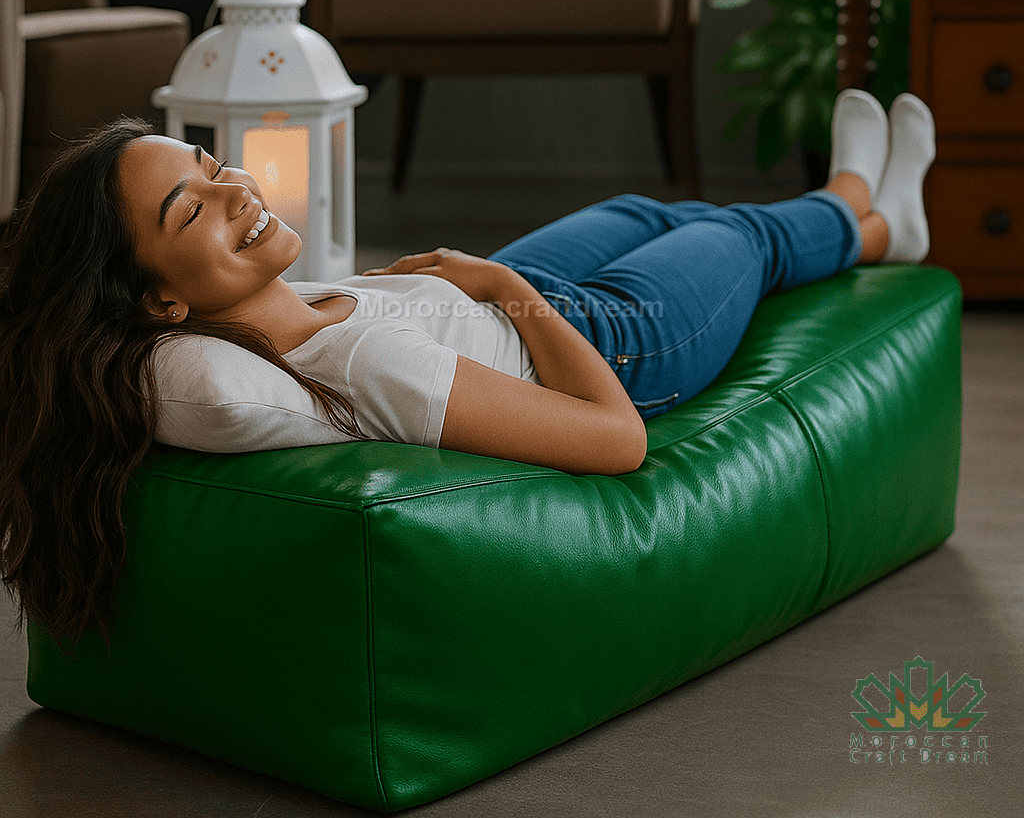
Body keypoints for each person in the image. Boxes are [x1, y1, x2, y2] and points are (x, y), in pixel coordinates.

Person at [0, 88, 935, 645]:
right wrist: (501, 281)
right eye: (190, 209)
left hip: (523, 296)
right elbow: (616, 441)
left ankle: (856, 202)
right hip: (620, 338)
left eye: (207, 162)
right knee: (740, 234)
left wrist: (492, 284)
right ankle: (869, 210)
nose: (232, 186)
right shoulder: (365, 366)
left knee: (646, 211)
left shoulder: (270, 312)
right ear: (162, 303)